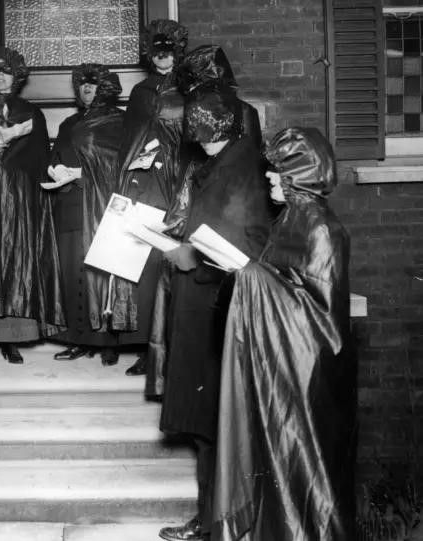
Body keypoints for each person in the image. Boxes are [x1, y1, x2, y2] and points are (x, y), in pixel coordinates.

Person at [211, 128, 356, 541]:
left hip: (306, 371)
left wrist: (253, 278)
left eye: (278, 174)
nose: (269, 180)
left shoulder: (322, 230)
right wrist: (252, 277)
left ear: (300, 176)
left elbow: (320, 317)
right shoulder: (291, 218)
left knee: (301, 459)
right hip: (280, 360)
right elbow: (284, 284)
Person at [157, 88, 275, 541]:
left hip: (219, 311)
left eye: (199, 123)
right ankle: (210, 518)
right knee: (208, 424)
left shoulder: (241, 170)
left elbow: (243, 247)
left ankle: (215, 522)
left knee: (215, 421)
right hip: (205, 307)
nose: (194, 131)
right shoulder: (222, 164)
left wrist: (188, 256)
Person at [146, 44, 265, 398]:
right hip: (199, 208)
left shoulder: (242, 116)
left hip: (222, 226)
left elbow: (244, 178)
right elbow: (191, 167)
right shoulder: (201, 116)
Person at [0, 46, 66, 364]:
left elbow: (40, 160)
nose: (1, 77)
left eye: (6, 72)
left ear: (16, 76)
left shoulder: (32, 112)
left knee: (18, 261)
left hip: (20, 198)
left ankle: (12, 338)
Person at [112, 19, 189, 373]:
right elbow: (130, 140)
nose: (162, 59)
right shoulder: (141, 92)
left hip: (179, 183)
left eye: (168, 52)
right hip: (146, 184)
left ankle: (177, 347)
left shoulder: (189, 88)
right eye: (156, 53)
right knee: (146, 261)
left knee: (176, 261)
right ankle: (149, 344)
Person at [49, 64, 124, 363]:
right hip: (71, 203)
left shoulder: (119, 121)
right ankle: (78, 339)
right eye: (82, 85)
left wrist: (86, 174)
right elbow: (54, 156)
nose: (87, 89)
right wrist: (54, 169)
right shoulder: (69, 124)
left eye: (93, 84)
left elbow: (119, 163)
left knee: (103, 273)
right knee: (73, 272)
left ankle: (108, 342)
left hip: (102, 205)